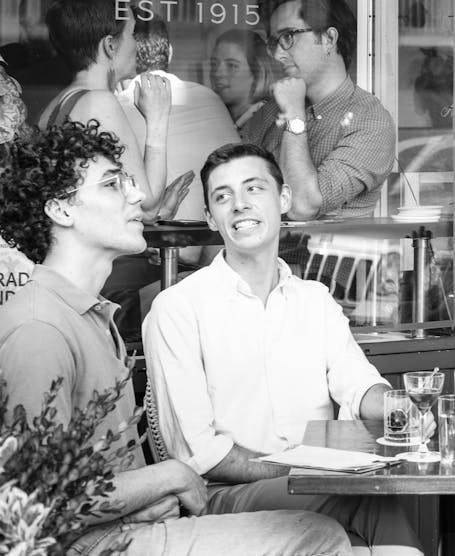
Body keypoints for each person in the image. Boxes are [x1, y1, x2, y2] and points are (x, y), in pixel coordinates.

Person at [0, 121, 352, 556]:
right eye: (113, 185)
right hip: (95, 547)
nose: (136, 195)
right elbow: (32, 504)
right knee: (315, 534)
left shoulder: (92, 316)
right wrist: (169, 476)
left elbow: (82, 482)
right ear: (62, 210)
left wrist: (143, 502)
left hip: (125, 530)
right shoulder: (41, 328)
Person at [142, 142, 421, 556]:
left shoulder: (315, 300)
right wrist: (305, 468)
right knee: (365, 497)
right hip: (224, 496)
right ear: (211, 218)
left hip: (316, 482)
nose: (239, 205)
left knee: (381, 499)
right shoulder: (178, 308)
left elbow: (360, 387)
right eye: (223, 197)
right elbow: (201, 454)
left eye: (253, 189)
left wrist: (401, 408)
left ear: (283, 199)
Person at [37, 0, 193, 338]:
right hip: (103, 278)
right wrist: (157, 118)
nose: (137, 46)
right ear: (109, 45)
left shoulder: (59, 103)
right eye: (133, 35)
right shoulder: (98, 101)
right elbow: (148, 198)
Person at [242, 0, 395, 220]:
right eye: (273, 42)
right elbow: (235, 185)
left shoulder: (371, 120)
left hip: (324, 256)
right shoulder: (273, 109)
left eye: (288, 38)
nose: (277, 55)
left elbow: (302, 206)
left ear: (329, 39)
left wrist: (294, 116)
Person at [118, 19, 240, 224]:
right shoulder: (209, 97)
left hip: (158, 241)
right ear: (171, 52)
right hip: (219, 235)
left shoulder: (115, 109)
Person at [0, 0, 72, 123]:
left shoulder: (66, 72)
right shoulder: (13, 55)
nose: (23, 35)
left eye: (27, 25)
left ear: (53, 24)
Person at [210, 28, 275, 134]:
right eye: (214, 64)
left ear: (258, 71)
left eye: (231, 65)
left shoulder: (270, 124)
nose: (217, 73)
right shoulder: (215, 118)